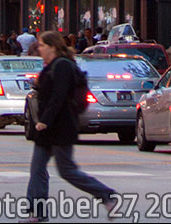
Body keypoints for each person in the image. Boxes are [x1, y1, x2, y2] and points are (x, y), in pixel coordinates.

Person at [26, 31, 117, 221]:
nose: (39, 49)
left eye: (42, 45)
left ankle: (106, 194)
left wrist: (45, 120)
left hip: (61, 126)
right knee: (37, 169)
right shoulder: (51, 66)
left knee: (67, 170)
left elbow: (59, 96)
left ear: (52, 46)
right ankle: (37, 212)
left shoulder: (62, 66)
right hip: (48, 129)